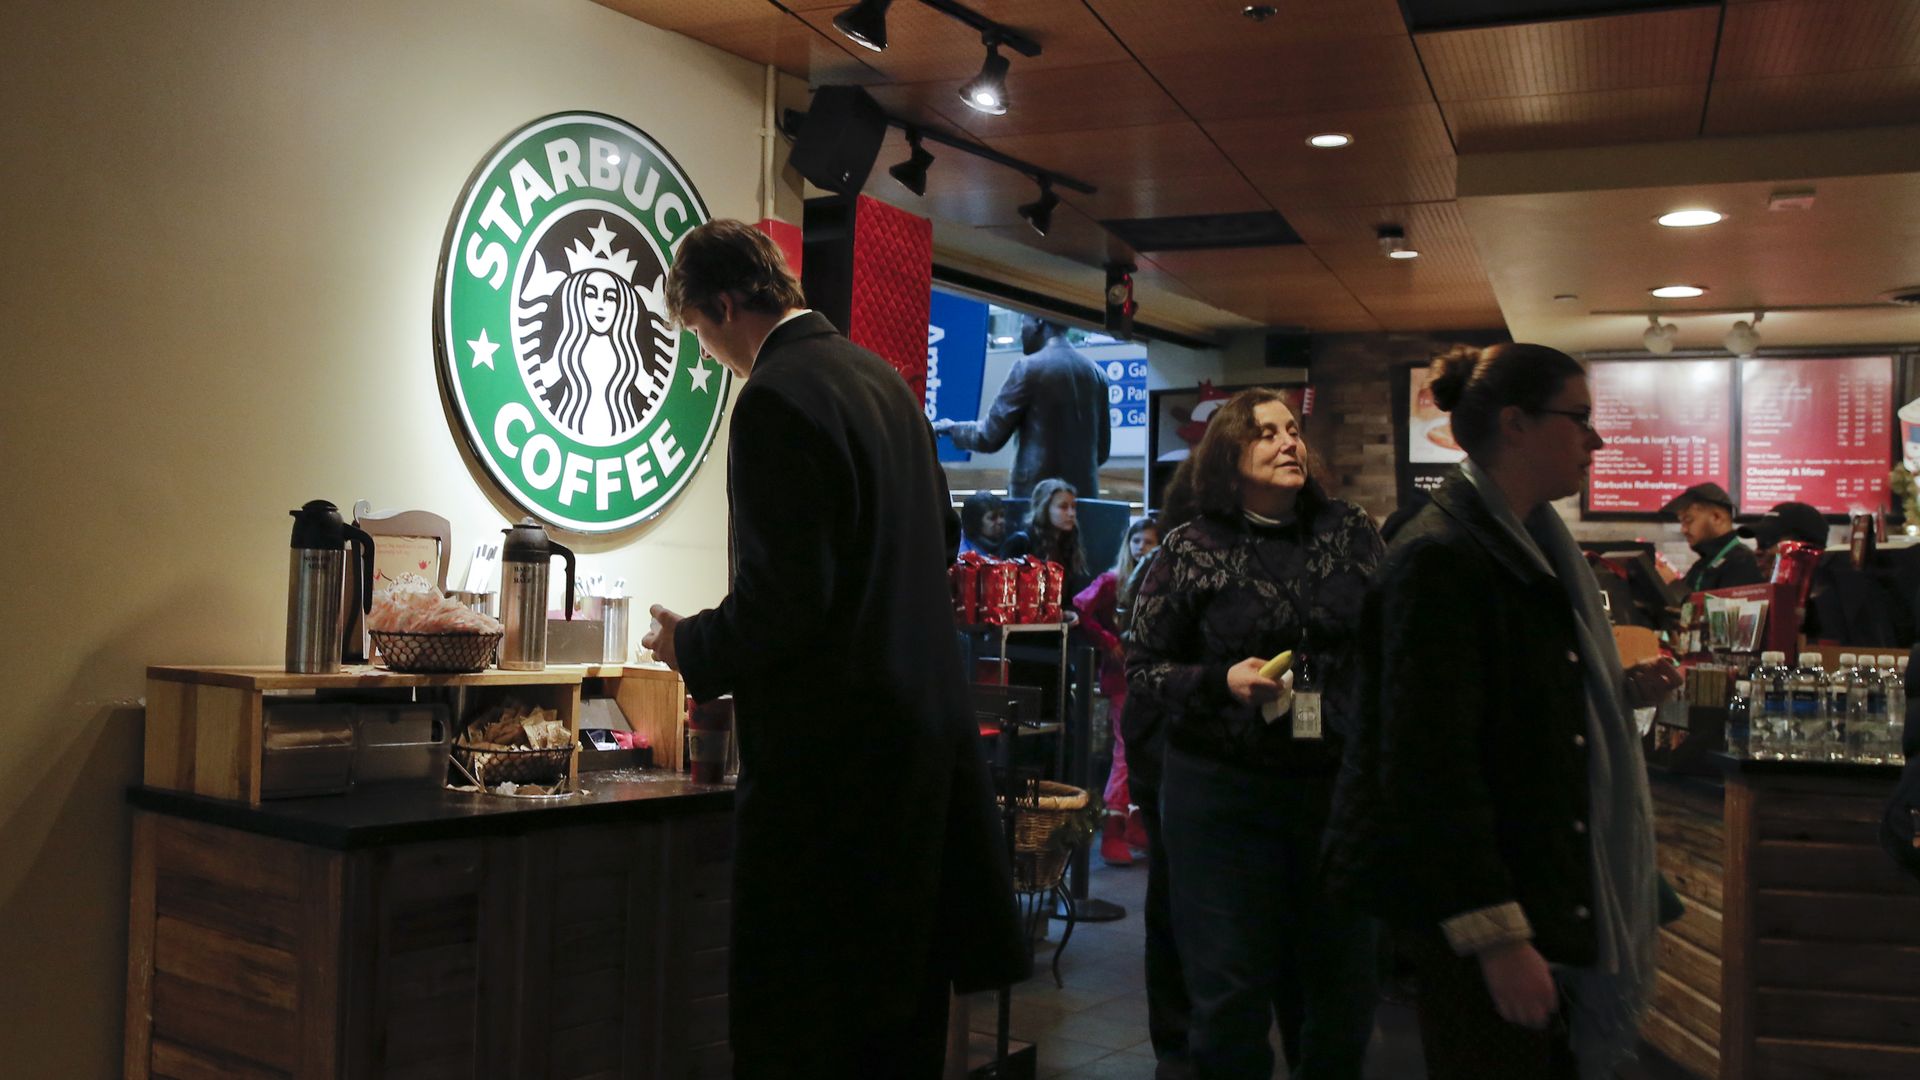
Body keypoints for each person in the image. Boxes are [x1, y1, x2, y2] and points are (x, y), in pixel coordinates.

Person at [640, 220, 1026, 1078]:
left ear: (726, 305)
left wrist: (686, 641)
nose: (711, 357)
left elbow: (786, 605)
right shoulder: (886, 385)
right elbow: (941, 540)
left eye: (702, 335)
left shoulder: (776, 397)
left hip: (832, 783)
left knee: (802, 1036)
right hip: (920, 768)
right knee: (901, 1032)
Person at [1323, 343, 1684, 1080]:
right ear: (1516, 424)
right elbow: (1428, 767)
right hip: (1491, 909)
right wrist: (1497, 937)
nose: (1597, 439)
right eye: (1580, 418)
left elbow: (1510, 704)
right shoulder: (1442, 558)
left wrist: (1611, 689)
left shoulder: (1529, 546)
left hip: (1537, 885)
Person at [1128, 388, 1385, 1079]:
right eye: (1265, 433)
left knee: (1342, 996)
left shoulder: (1350, 530)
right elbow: (1144, 666)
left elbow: (1388, 641)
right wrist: (1221, 684)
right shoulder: (1191, 547)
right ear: (1230, 456)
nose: (1288, 442)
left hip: (1330, 787)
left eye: (1294, 430)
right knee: (1231, 994)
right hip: (1220, 794)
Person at [1122, 467, 1199, 1079]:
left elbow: (1305, 651)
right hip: (1176, 755)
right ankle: (1179, 1051)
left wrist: (1305, 718)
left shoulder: (1310, 551)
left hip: (1189, 755)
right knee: (1177, 905)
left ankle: (1186, 1049)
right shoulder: (1171, 564)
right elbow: (1143, 668)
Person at [932, 316, 1111, 498]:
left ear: (1039, 321)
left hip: (1034, 498)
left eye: (1022, 323)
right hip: (1086, 497)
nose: (1021, 332)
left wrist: (950, 428)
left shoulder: (1028, 368)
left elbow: (988, 436)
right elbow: (1102, 451)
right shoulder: (1097, 374)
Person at [1073, 516, 1161, 866]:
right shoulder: (1113, 581)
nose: (1142, 548)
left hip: (1151, 678)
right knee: (1126, 752)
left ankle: (1134, 826)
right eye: (1137, 541)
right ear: (1128, 544)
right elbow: (1080, 608)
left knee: (1144, 752)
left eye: (1150, 542)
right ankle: (1112, 830)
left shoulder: (1160, 582)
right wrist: (1109, 641)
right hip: (1123, 678)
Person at [1003, 477, 1093, 604]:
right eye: (1063, 507)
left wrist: (1068, 613)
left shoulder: (1069, 544)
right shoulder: (1020, 543)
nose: (1071, 513)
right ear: (1044, 508)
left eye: (1073, 507)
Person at [1661, 482, 1762, 593]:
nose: (1683, 529)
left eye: (1688, 520)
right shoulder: (1701, 564)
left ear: (1717, 517)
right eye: (1682, 522)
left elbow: (1726, 609)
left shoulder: (1742, 562)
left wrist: (1673, 583)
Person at [958, 490, 1007, 557]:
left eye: (1002, 515)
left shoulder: (1009, 542)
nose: (1001, 521)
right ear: (975, 523)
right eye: (992, 518)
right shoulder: (962, 556)